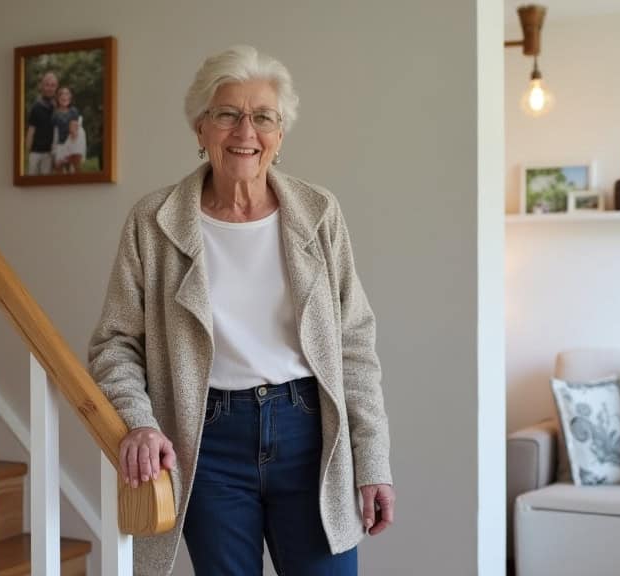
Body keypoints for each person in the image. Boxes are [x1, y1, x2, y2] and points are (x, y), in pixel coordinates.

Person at [88, 45, 394, 576]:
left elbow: (354, 344)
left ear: (280, 134)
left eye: (262, 118)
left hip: (310, 437)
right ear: (200, 129)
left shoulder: (319, 214)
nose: (244, 132)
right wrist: (137, 421)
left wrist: (372, 461)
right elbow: (115, 342)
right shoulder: (153, 221)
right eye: (226, 114)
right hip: (208, 441)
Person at [26, 71, 58, 175]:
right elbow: (31, 130)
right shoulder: (36, 107)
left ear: (56, 87)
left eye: (53, 85)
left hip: (49, 153)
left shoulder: (57, 107)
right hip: (35, 152)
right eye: (47, 85)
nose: (50, 88)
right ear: (42, 86)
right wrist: (28, 151)